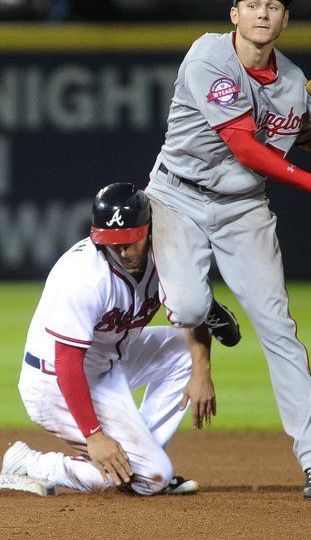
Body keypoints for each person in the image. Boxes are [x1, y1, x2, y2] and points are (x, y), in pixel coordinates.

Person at [146, 0, 311, 500]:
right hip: (178, 196)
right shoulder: (208, 57)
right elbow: (245, 146)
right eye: (253, 3)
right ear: (234, 16)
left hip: (244, 211)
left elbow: (307, 135)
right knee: (190, 307)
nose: (263, 12)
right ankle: (203, 308)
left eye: (274, 4)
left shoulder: (292, 79)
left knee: (280, 331)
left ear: (285, 19)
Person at [1, 182, 239, 495]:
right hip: (53, 382)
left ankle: (138, 463)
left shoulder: (167, 256)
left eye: (130, 241)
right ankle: (29, 463)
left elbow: (196, 316)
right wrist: (94, 435)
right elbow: (67, 363)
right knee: (153, 476)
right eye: (113, 243)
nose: (123, 251)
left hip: (109, 363)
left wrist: (201, 369)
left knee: (184, 350)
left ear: (148, 228)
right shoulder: (84, 277)